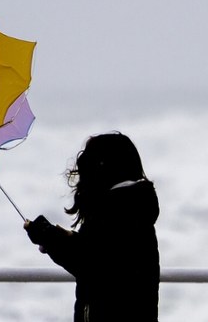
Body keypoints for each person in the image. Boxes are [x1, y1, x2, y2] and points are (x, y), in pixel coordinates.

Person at [24, 132, 160, 322]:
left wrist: (49, 237)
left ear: (102, 167)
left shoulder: (120, 210)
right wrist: (58, 237)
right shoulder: (129, 207)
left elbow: (93, 263)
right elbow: (100, 254)